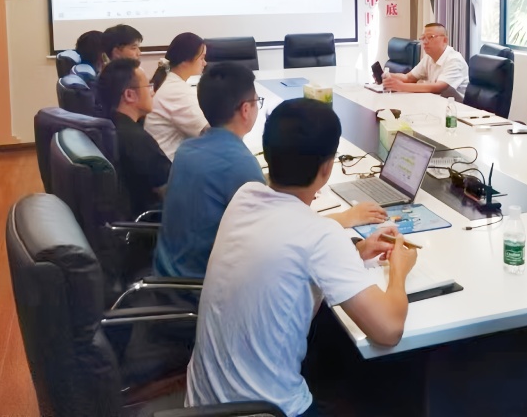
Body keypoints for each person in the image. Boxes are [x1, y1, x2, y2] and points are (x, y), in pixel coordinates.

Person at [185, 98, 417, 416]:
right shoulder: (320, 235)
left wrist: (357, 252)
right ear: (327, 168)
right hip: (269, 410)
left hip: (205, 402)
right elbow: (388, 330)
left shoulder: (245, 195)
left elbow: (288, 252)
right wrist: (399, 270)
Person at [155, 63, 387, 279]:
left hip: (169, 269)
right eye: (257, 101)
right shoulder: (240, 166)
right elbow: (285, 238)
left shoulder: (187, 149)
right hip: (199, 283)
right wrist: (346, 218)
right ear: (246, 109)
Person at [96, 58, 170, 217]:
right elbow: (173, 190)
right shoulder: (137, 140)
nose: (152, 92)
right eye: (148, 86)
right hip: (151, 222)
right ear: (129, 95)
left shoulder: (106, 126)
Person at [145, 32, 209, 160]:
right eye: (201, 58)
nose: (205, 63)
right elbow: (208, 134)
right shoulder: (176, 91)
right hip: (169, 165)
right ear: (185, 60)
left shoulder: (172, 83)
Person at [382, 23, 469, 98]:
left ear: (445, 40)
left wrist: (401, 86)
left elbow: (438, 87)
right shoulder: (429, 57)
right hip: (435, 101)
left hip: (456, 107)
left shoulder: (454, 60)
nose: (425, 42)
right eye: (423, 38)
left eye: (431, 37)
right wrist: (387, 76)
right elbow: (408, 78)